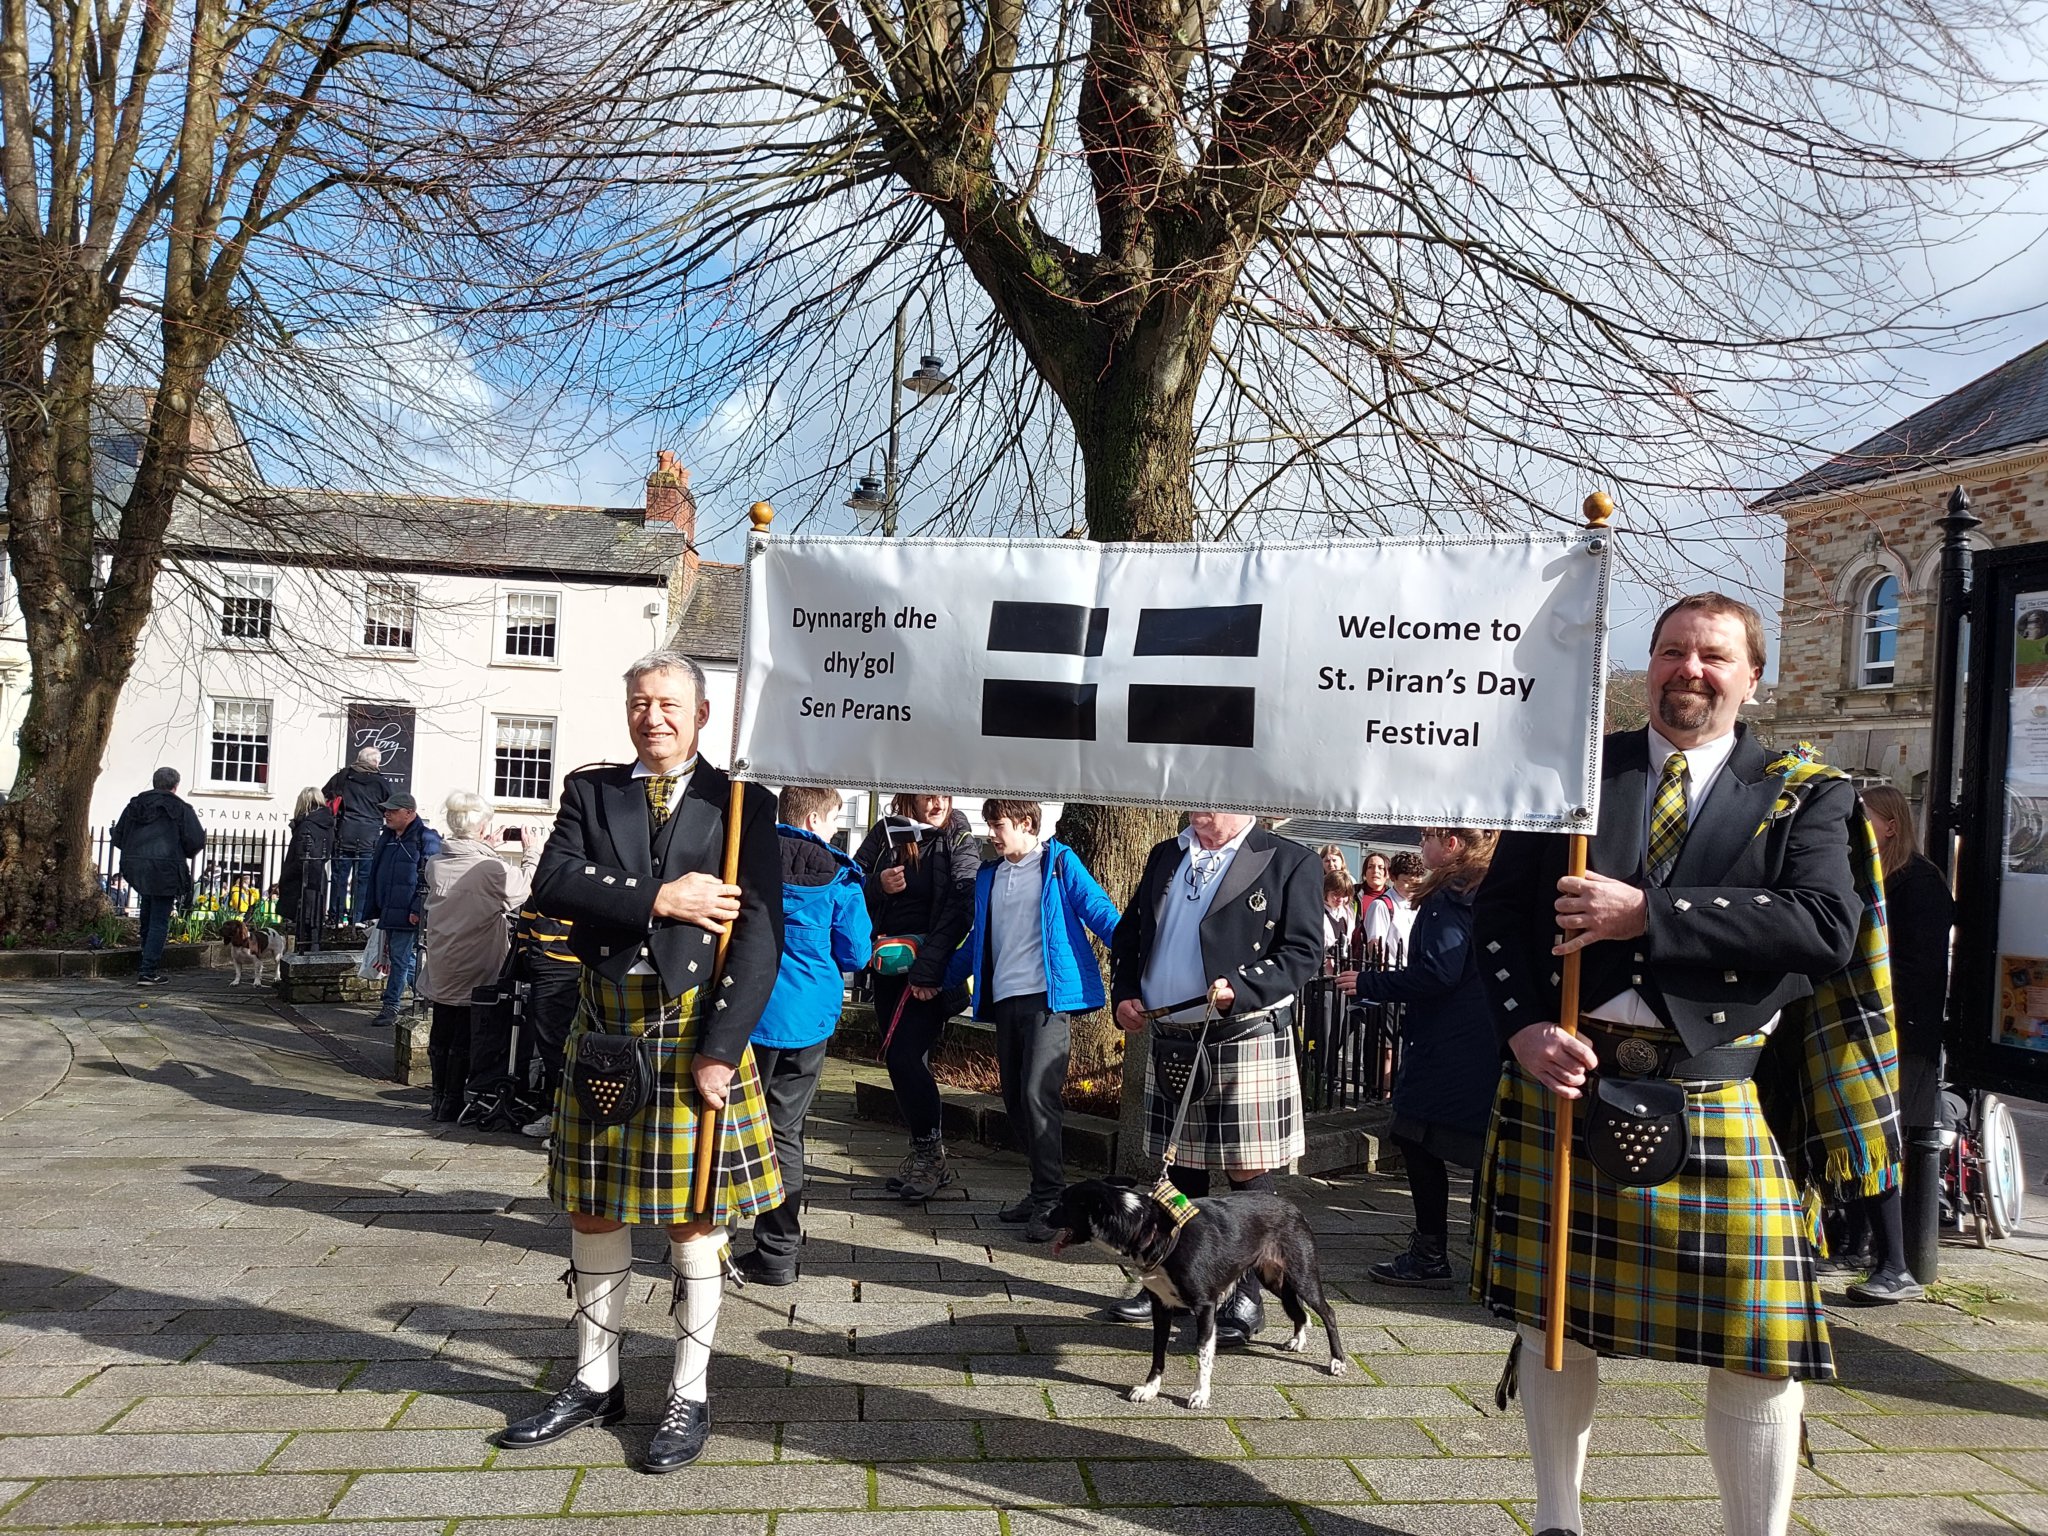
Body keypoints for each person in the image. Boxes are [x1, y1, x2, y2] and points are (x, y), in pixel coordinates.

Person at [1472, 592, 1895, 1536]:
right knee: (1554, 1322)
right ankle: (1556, 1521)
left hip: (1713, 1092)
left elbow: (1825, 925)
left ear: (1752, 676)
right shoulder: (1575, 772)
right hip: (1567, 1084)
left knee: (1757, 1342)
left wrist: (1647, 915)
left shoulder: (1802, 788)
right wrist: (1521, 1029)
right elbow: (1496, 922)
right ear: (1649, 662)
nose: (1688, 671)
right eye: (1671, 652)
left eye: (1712, 656)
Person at [495, 648, 782, 1474]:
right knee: (592, 1210)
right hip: (609, 1025)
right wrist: (663, 897)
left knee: (697, 1221)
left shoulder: (742, 804)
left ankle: (688, 1392)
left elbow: (760, 935)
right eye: (639, 703)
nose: (651, 717)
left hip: (695, 1027)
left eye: (667, 704)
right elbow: (553, 882)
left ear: (698, 714)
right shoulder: (592, 790)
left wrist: (723, 1051)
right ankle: (594, 1382)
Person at [1106, 810, 1323, 1344]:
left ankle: (1246, 1295)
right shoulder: (1167, 854)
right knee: (1178, 1174)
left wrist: (1243, 990)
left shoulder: (1291, 860)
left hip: (1241, 1033)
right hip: (1171, 1032)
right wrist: (1125, 993)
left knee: (1247, 1175)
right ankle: (1171, 1282)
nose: (1200, 807)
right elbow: (1130, 933)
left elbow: (1304, 951)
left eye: (1215, 797)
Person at [945, 799, 1120, 1242]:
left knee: (1036, 1093)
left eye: (998, 825)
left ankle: (1049, 1200)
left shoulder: (1059, 864)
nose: (991, 834)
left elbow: (1100, 912)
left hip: (1049, 1000)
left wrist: (1139, 955)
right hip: (1006, 1000)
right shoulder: (990, 875)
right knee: (1014, 1098)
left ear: (1026, 823)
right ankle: (1043, 1188)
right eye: (988, 825)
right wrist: (932, 976)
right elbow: (975, 943)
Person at [1338, 826, 1500, 1287]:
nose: (1419, 848)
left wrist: (1372, 984)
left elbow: (1439, 971)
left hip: (1449, 1041)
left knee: (1414, 1134)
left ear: (1451, 844)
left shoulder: (1452, 892)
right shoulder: (1486, 887)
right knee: (1482, 1148)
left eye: (1428, 838)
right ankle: (1486, 1252)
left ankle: (1430, 1253)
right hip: (1482, 1036)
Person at [739, 786, 872, 1284]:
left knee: (726, 1119)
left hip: (746, 1010)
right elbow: (856, 954)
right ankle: (776, 1253)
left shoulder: (744, 857)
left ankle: (708, 1233)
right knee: (784, 1131)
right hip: (806, 1016)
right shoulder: (841, 875)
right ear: (815, 816)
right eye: (836, 817)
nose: (837, 827)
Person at [1840, 784, 1954, 1305]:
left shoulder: (1919, 882)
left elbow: (1919, 971)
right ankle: (1858, 1243)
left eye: (1863, 815)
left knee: (1879, 1142)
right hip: (1867, 1028)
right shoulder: (1869, 875)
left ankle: (1896, 1265)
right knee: (1859, 1139)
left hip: (1898, 1036)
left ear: (1889, 824)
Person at [854, 793, 978, 1200]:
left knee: (904, 1055)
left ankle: (930, 1156)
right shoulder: (886, 832)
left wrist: (930, 968)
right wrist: (878, 884)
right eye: (929, 794)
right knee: (900, 1059)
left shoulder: (957, 835)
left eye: (945, 793)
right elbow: (849, 883)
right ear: (910, 796)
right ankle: (926, 1155)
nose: (938, 802)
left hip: (931, 972)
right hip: (887, 968)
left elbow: (963, 903)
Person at [416, 793, 542, 1122]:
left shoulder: (436, 863)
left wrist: (486, 849)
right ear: (482, 825)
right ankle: (455, 1099)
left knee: (442, 1024)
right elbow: (526, 890)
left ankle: (439, 1099)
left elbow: (470, 875)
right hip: (476, 957)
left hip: (443, 957)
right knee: (466, 1032)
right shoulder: (489, 869)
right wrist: (530, 853)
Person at [112, 767, 205, 986]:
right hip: (166, 868)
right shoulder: (181, 808)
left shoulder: (134, 806)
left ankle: (145, 960)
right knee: (159, 920)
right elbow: (195, 840)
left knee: (147, 910)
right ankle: (148, 970)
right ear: (175, 786)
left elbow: (119, 836)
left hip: (137, 867)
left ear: (155, 783)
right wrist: (182, 852)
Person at [365, 793, 443, 1028]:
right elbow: (378, 872)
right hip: (390, 908)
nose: (386, 814)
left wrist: (417, 908)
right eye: (386, 810)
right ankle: (428, 998)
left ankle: (390, 1007)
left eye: (392, 810)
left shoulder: (425, 837)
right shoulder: (387, 837)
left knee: (400, 958)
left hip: (408, 910)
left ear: (409, 813)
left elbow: (430, 877)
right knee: (405, 958)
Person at [514, 900, 581, 1141]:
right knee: (557, 1041)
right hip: (561, 957)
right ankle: (559, 1113)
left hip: (560, 957)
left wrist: (533, 947)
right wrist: (527, 948)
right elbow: (533, 902)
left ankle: (561, 1117)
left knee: (554, 1041)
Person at [324, 747, 393, 924]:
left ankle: (335, 917)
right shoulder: (381, 783)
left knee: (339, 878)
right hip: (370, 836)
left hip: (344, 832)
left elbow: (325, 796)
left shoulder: (342, 777)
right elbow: (391, 806)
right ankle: (359, 918)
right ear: (376, 762)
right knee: (364, 880)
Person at [279, 787, 336, 946]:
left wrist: (286, 876)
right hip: (318, 875)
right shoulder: (328, 823)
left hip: (303, 877)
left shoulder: (306, 825)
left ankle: (303, 954)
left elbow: (301, 856)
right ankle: (312, 950)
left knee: (304, 921)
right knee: (314, 920)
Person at [1321, 868, 1356, 965]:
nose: (1340, 899)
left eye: (1344, 895)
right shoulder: (1318, 913)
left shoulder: (1348, 914)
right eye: (1335, 894)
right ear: (1325, 892)